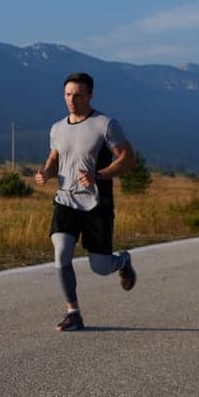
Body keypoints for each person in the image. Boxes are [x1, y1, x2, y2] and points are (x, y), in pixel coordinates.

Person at [33, 72, 137, 332]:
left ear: (90, 95)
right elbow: (55, 155)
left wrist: (99, 175)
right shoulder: (57, 128)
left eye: (78, 95)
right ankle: (73, 313)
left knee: (100, 267)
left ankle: (122, 261)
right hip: (65, 200)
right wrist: (46, 171)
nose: (72, 100)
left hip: (96, 204)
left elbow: (127, 158)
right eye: (68, 94)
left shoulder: (105, 124)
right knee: (61, 253)